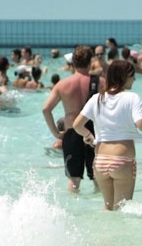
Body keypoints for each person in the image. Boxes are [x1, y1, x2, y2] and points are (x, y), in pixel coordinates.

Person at [72, 60, 142, 210]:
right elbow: (141, 123)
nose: (135, 79)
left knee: (108, 208)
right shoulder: (132, 97)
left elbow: (77, 125)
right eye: (132, 76)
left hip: (100, 161)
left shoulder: (97, 99)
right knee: (122, 210)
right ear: (124, 77)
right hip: (122, 160)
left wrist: (89, 136)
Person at [42, 45, 96, 192]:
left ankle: (74, 212)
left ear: (73, 62)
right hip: (95, 133)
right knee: (98, 178)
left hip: (72, 133)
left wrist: (56, 133)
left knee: (74, 180)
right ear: (90, 61)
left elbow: (46, 109)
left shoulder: (63, 84)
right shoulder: (100, 82)